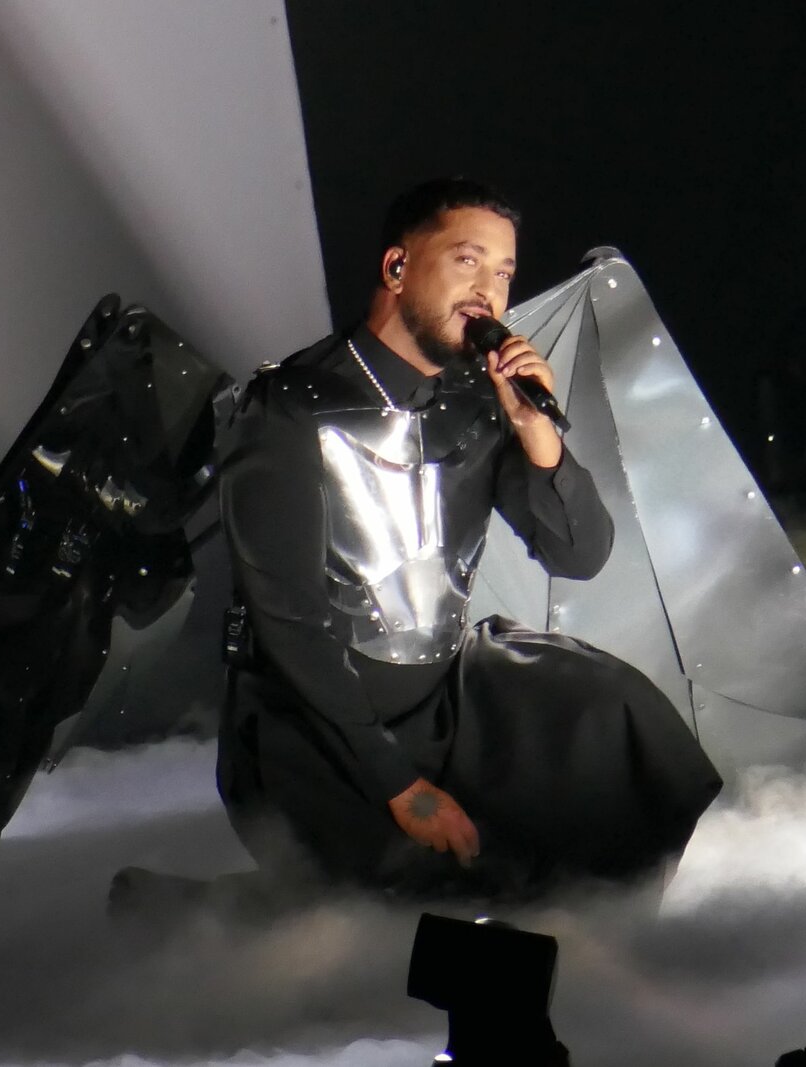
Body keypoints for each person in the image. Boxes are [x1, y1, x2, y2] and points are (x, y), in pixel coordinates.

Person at [216, 177, 720, 898]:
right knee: (434, 904)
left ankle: (605, 947)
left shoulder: (477, 405)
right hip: (315, 723)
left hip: (445, 696)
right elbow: (290, 623)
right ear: (397, 268)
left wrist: (535, 429)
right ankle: (217, 908)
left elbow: (580, 554)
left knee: (622, 722)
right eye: (468, 262)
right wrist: (399, 783)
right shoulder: (288, 409)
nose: (491, 290)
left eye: (505, 273)